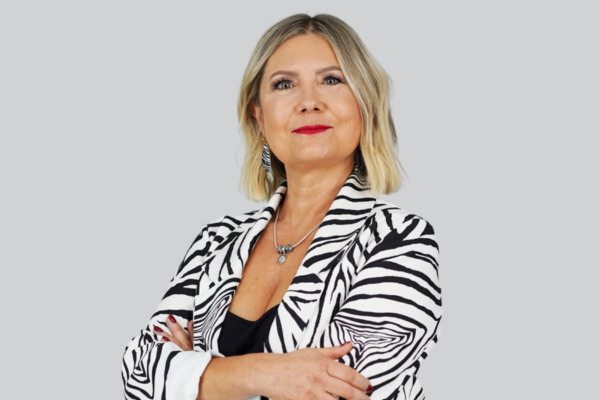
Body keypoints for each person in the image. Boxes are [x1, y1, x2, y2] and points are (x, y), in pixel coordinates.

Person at [121, 13, 442, 400]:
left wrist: (194, 375)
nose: (309, 103)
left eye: (332, 80)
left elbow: (348, 389)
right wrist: (266, 374)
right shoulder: (215, 241)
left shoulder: (399, 241)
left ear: (365, 101)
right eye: (284, 84)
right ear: (258, 115)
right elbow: (140, 373)